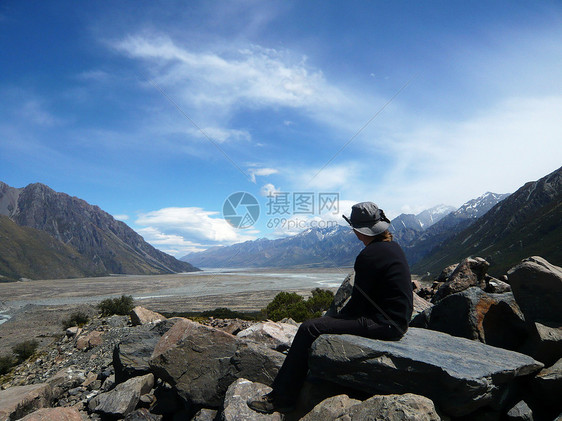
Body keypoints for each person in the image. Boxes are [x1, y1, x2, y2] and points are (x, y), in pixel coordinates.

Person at [247, 202, 414, 414]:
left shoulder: (368, 256)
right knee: (320, 325)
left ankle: (281, 398)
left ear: (357, 231)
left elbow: (358, 305)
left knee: (309, 328)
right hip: (397, 321)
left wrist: (331, 322)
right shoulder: (393, 247)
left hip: (385, 324)